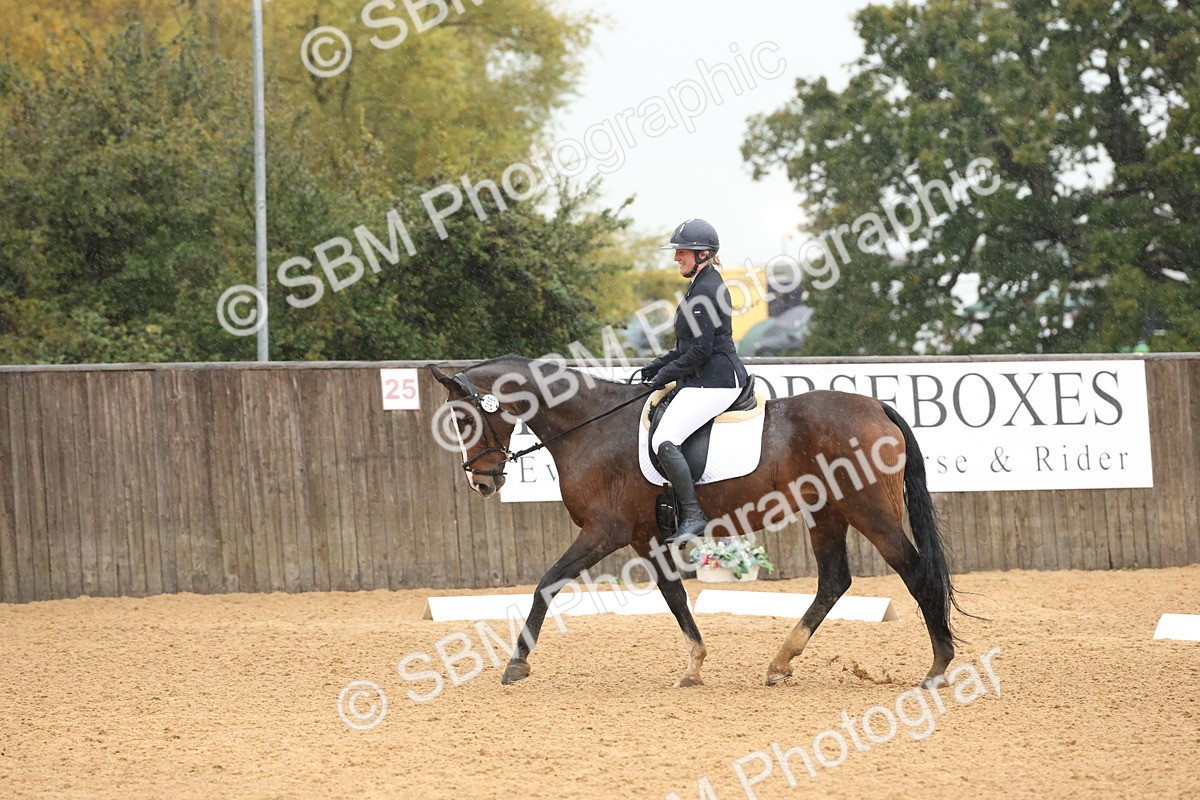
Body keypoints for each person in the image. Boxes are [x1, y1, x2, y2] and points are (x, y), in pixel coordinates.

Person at [639, 218, 749, 544]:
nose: (677, 258)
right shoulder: (700, 285)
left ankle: (693, 514)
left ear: (703, 254)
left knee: (665, 440)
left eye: (683, 252)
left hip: (717, 380)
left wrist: (663, 377)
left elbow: (700, 352)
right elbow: (685, 348)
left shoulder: (707, 289)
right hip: (705, 376)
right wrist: (657, 366)